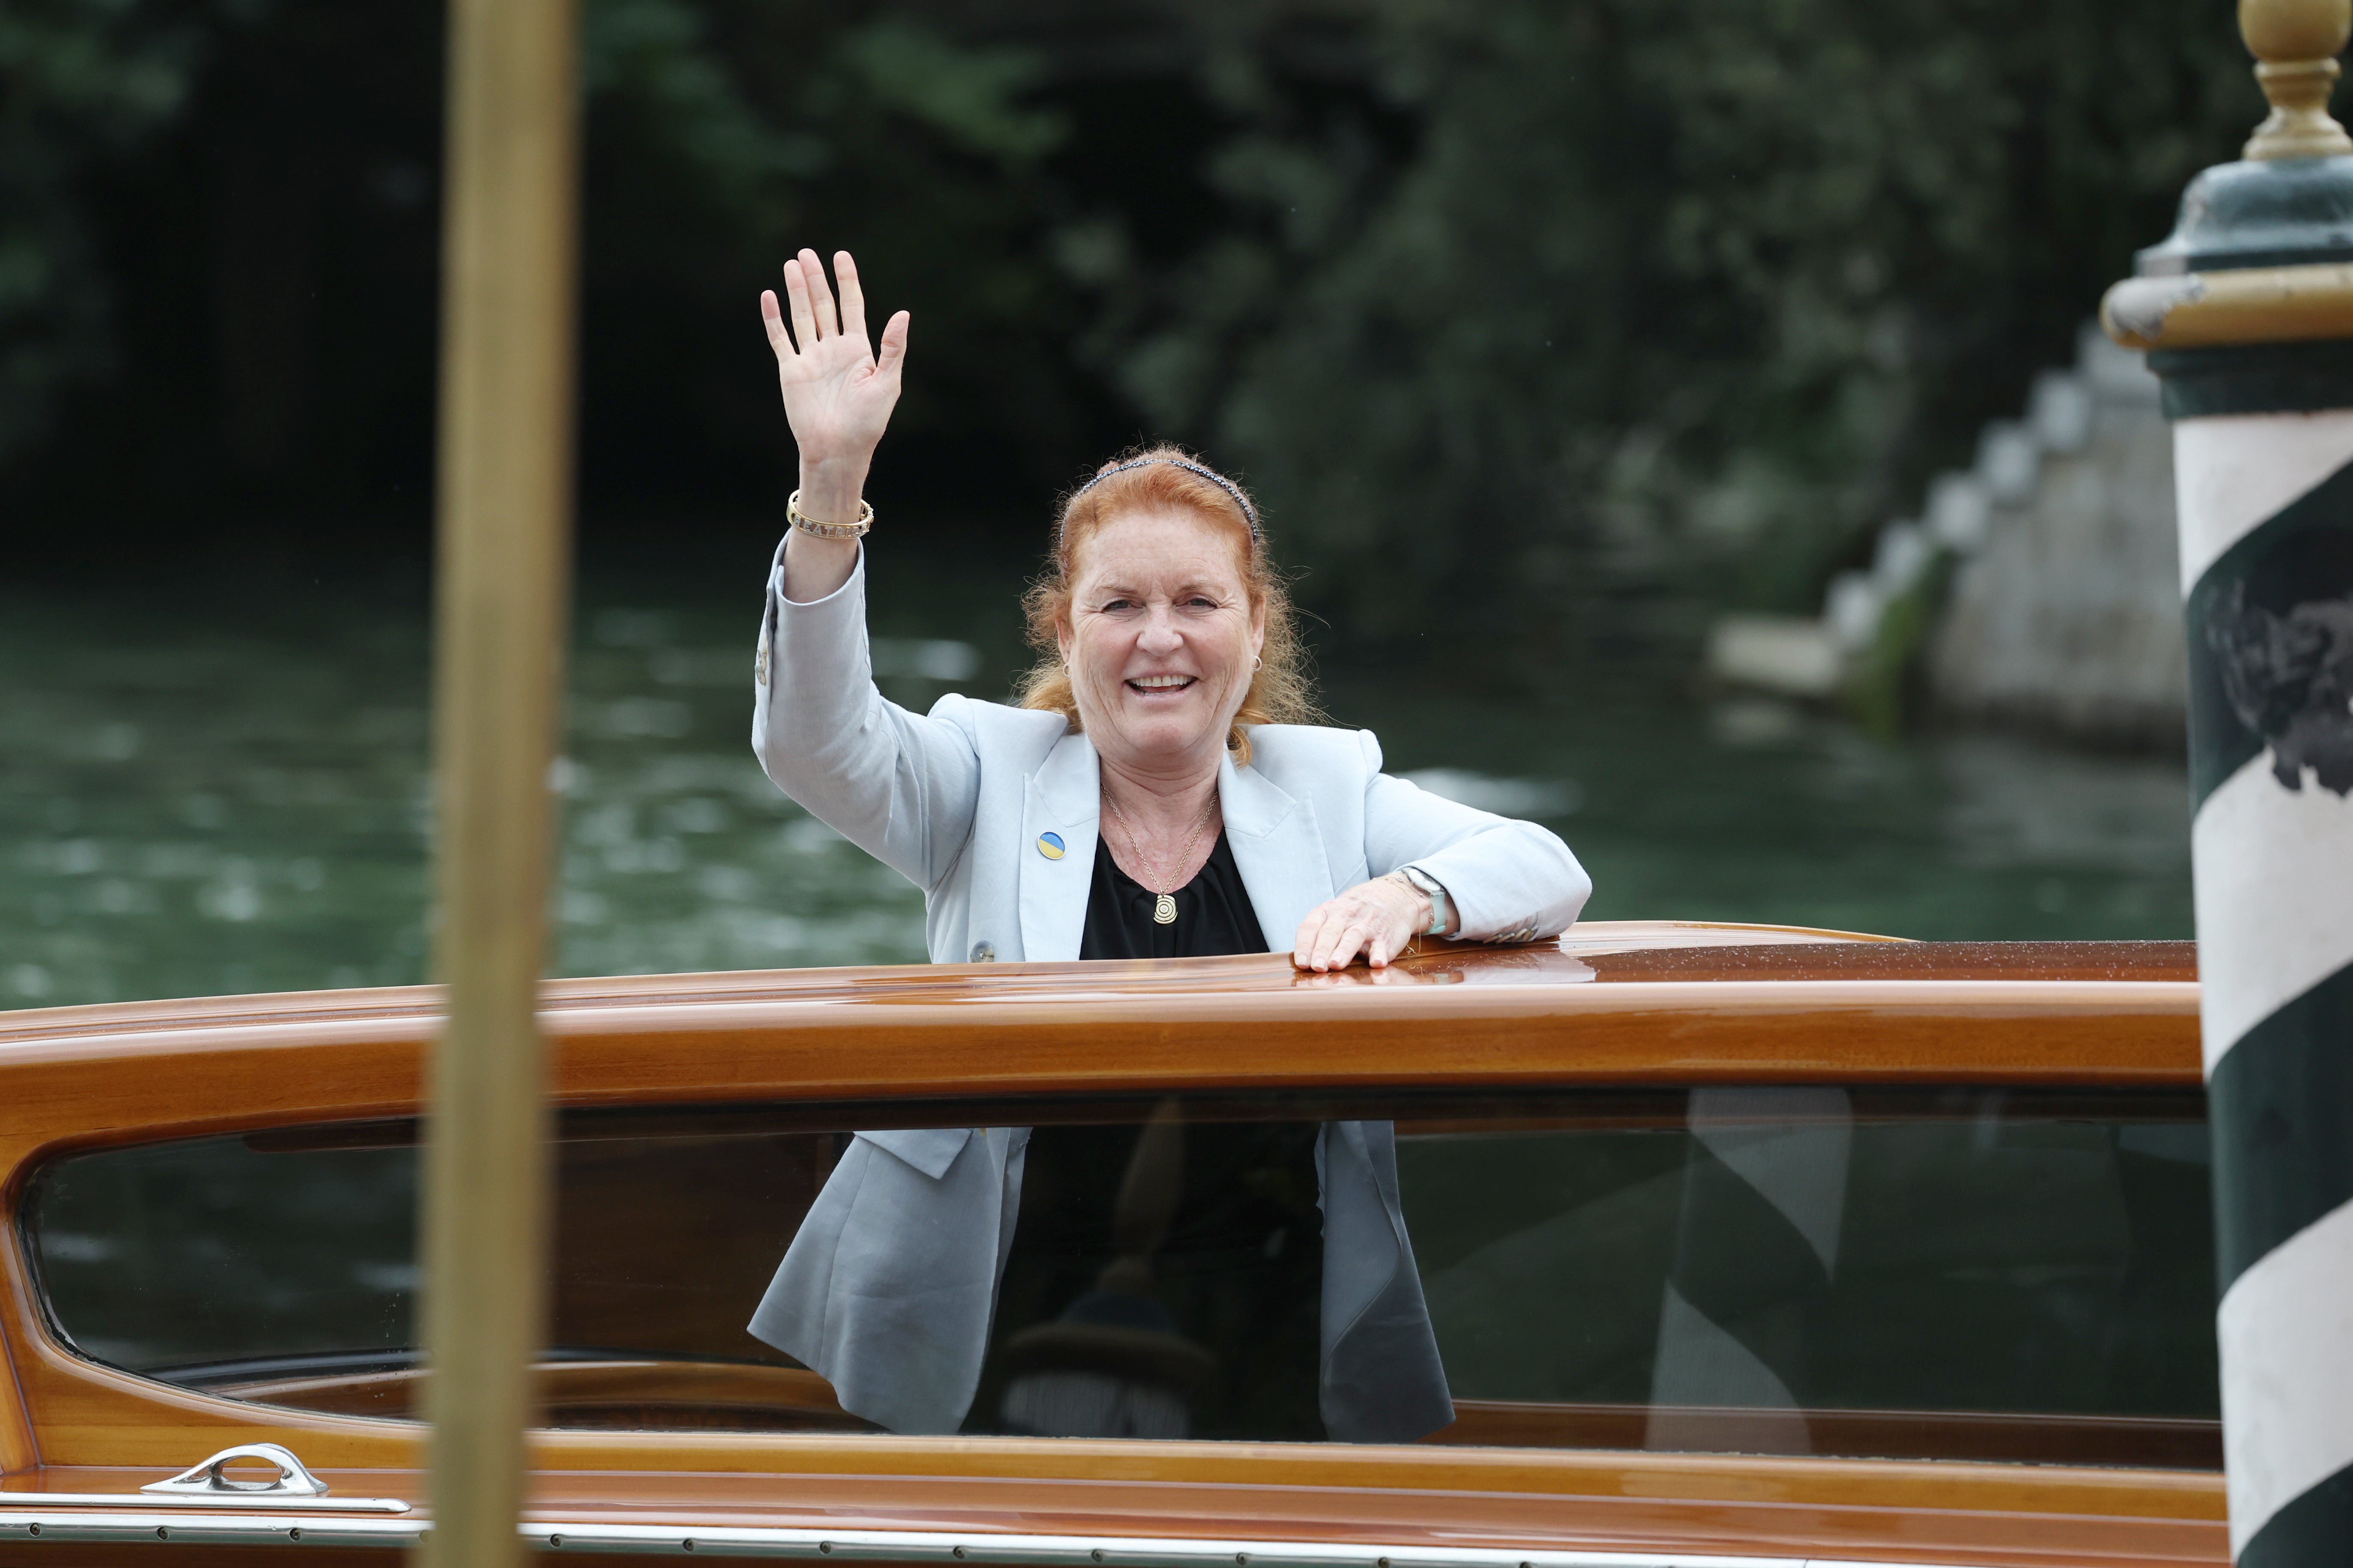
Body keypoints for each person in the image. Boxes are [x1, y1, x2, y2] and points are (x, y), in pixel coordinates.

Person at [742, 249, 1592, 1442]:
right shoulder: (981, 770)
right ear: (1064, 627)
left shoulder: (1327, 783)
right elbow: (812, 745)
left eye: (1197, 602)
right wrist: (830, 487)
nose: (1160, 640)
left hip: (1268, 1314)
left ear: (1255, 629)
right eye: (1120, 605)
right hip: (984, 1309)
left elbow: (1546, 864)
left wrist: (1411, 895)